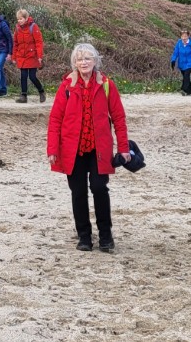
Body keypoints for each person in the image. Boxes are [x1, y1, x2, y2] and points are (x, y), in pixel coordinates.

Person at [47, 43, 130, 252]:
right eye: (80, 59)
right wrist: (52, 149)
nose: (84, 62)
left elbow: (119, 118)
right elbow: (55, 119)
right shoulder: (66, 86)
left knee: (100, 188)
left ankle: (106, 236)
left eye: (88, 58)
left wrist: (124, 148)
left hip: (98, 148)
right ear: (74, 63)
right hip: (72, 148)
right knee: (78, 192)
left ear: (95, 61)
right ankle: (84, 236)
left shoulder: (107, 84)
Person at [11, 9, 45, 103]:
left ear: (26, 18)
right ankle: (24, 96)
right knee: (23, 76)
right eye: (18, 19)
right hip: (21, 56)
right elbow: (15, 43)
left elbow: (39, 42)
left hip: (32, 56)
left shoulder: (33, 27)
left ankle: (41, 91)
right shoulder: (17, 28)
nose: (19, 21)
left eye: (21, 19)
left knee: (32, 76)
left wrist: (39, 56)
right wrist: (14, 57)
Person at [170, 30, 191, 95]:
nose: (184, 38)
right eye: (182, 36)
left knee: (186, 76)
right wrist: (173, 60)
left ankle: (183, 89)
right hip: (181, 63)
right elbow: (175, 52)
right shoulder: (179, 43)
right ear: (180, 36)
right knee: (185, 77)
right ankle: (190, 91)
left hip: (190, 63)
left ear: (188, 36)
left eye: (185, 36)